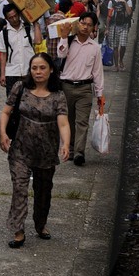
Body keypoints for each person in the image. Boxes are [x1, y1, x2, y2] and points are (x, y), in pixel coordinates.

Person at [0, 53, 71, 247]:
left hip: (46, 151)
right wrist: (3, 133)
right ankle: (18, 230)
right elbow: (6, 111)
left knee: (43, 191)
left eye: (42, 68)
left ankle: (40, 224)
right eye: (34, 68)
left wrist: (65, 144)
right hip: (20, 149)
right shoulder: (20, 88)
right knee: (19, 188)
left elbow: (63, 123)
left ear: (51, 70)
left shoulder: (58, 95)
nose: (38, 72)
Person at [56, 12, 106, 165]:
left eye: (89, 25)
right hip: (66, 86)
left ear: (93, 28)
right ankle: (69, 149)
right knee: (68, 120)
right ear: (78, 24)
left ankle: (79, 152)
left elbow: (98, 72)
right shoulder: (69, 41)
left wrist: (100, 94)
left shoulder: (95, 48)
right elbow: (60, 53)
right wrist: (64, 37)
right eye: (83, 23)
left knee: (82, 121)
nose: (85, 27)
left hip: (84, 88)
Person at [1, 2, 35, 94]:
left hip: (29, 71)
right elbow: (3, 54)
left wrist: (36, 23)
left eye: (15, 16)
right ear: (6, 18)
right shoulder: (4, 33)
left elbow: (38, 41)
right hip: (12, 72)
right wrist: (2, 74)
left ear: (19, 14)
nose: (14, 19)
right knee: (12, 102)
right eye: (10, 17)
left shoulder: (28, 28)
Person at [103, 0, 133, 71]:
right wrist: (107, 28)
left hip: (124, 25)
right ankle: (116, 65)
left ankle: (121, 60)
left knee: (123, 44)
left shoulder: (128, 1)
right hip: (114, 25)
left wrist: (124, 3)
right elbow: (109, 16)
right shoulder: (111, 2)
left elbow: (129, 13)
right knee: (115, 46)